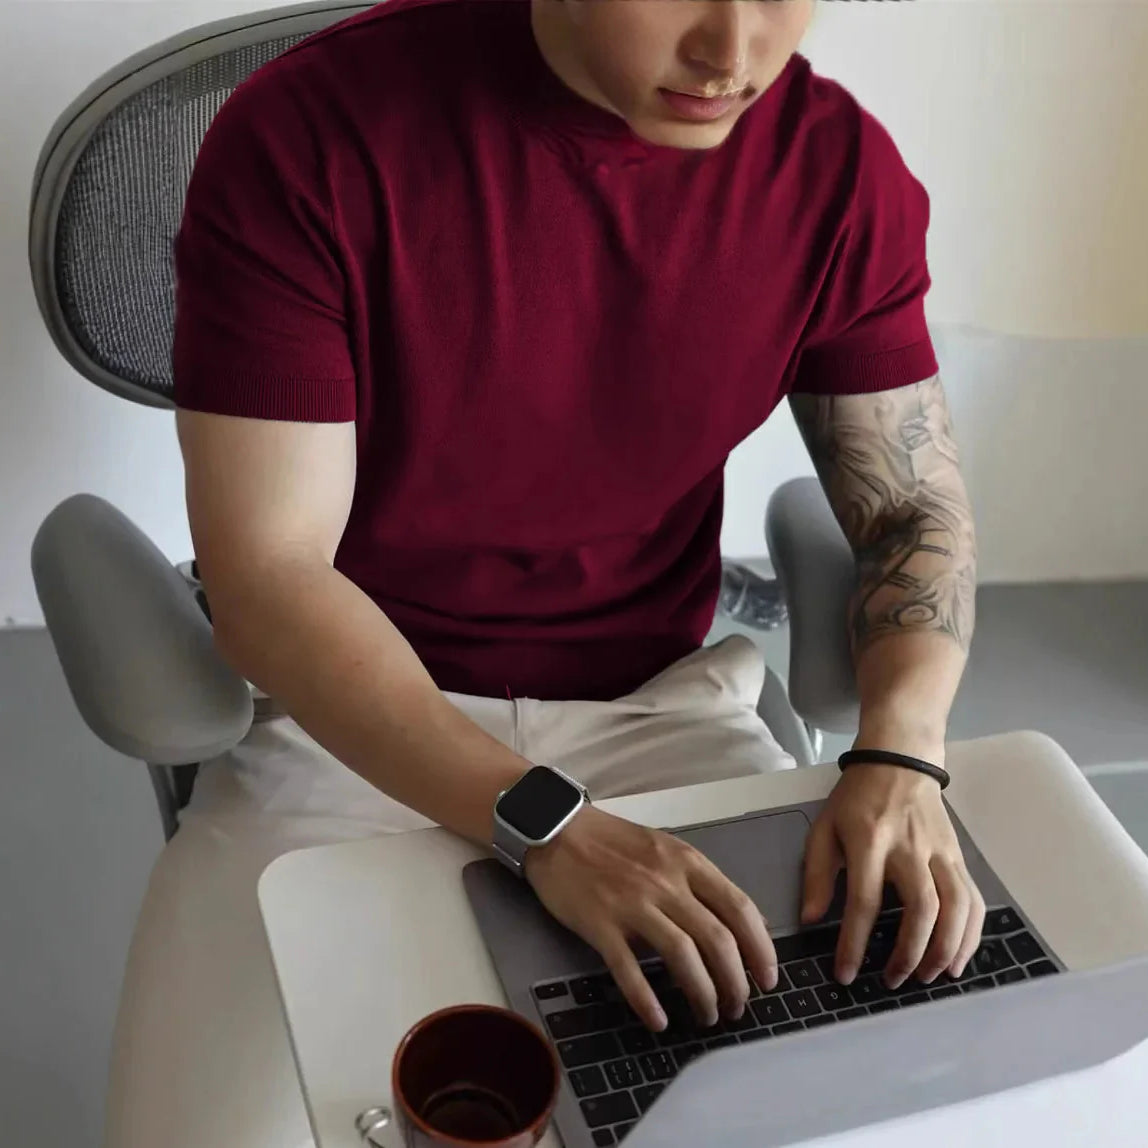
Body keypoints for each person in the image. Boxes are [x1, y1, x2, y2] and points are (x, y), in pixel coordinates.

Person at [107, 2, 985, 1145]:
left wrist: (902, 751)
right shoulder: (311, 134)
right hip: (354, 722)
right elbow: (270, 573)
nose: (732, 52)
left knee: (858, 1104)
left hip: (655, 703)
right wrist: (546, 826)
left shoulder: (831, 170)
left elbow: (909, 501)